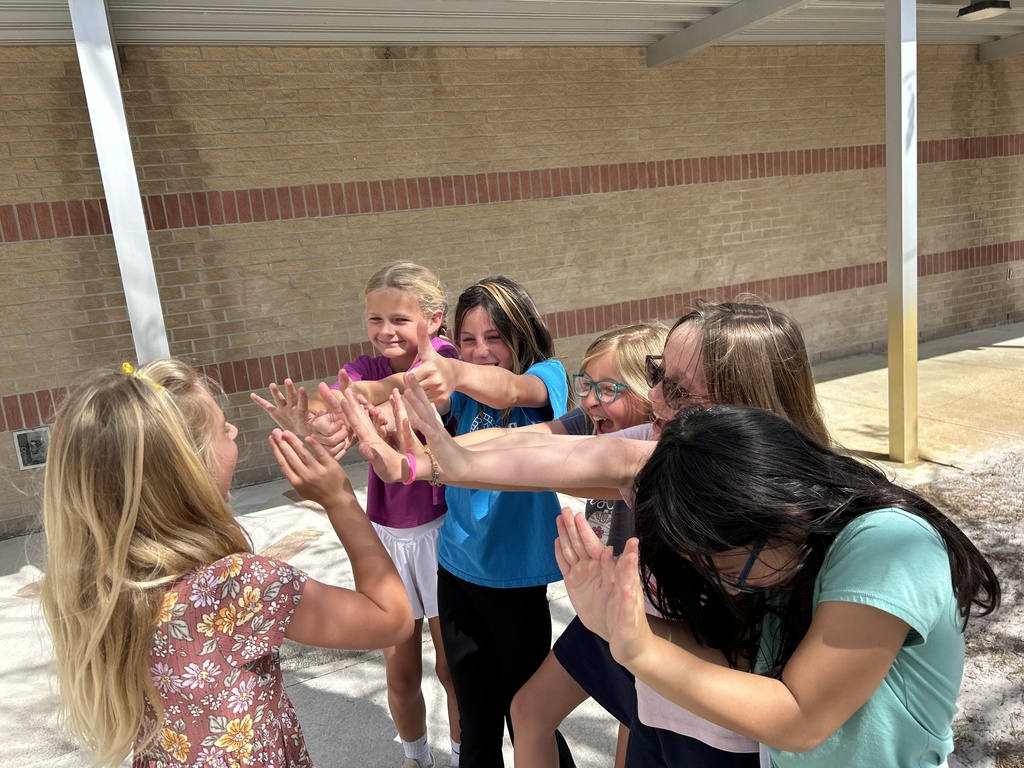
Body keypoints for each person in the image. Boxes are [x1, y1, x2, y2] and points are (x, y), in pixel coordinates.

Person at [361, 300, 830, 768]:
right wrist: (424, 463)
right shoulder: (654, 441)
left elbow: (794, 705)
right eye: (656, 374)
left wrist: (434, 463)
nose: (659, 398)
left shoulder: (780, 497)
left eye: (680, 390)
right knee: (533, 711)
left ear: (745, 400)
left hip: (722, 728)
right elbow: (540, 450)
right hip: (642, 660)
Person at [555, 404, 1001, 768]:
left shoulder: (887, 544)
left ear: (779, 511)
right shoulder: (792, 556)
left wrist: (641, 652)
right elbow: (743, 664)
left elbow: (800, 717)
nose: (726, 589)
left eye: (727, 568)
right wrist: (617, 626)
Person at [39, 359, 413, 768]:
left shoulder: (96, 585)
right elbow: (391, 619)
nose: (234, 431)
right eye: (223, 429)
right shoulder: (236, 587)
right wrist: (340, 499)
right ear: (188, 468)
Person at [349, 275, 571, 767]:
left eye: (494, 338)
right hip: (455, 570)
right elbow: (414, 402)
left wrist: (454, 369)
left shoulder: (548, 375)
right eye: (468, 340)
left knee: (528, 716)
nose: (480, 351)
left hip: (515, 579)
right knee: (476, 720)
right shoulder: (460, 390)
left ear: (522, 334)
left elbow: (514, 388)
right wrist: (375, 415)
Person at [252, 262, 461, 768]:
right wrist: (316, 426)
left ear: (433, 320)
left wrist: (361, 406)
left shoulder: (448, 361)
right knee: (401, 671)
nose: (385, 331)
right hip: (386, 539)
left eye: (399, 319)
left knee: (453, 670)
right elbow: (338, 412)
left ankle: (461, 757)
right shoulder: (361, 368)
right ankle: (416, 757)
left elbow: (411, 396)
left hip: (442, 533)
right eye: (374, 319)